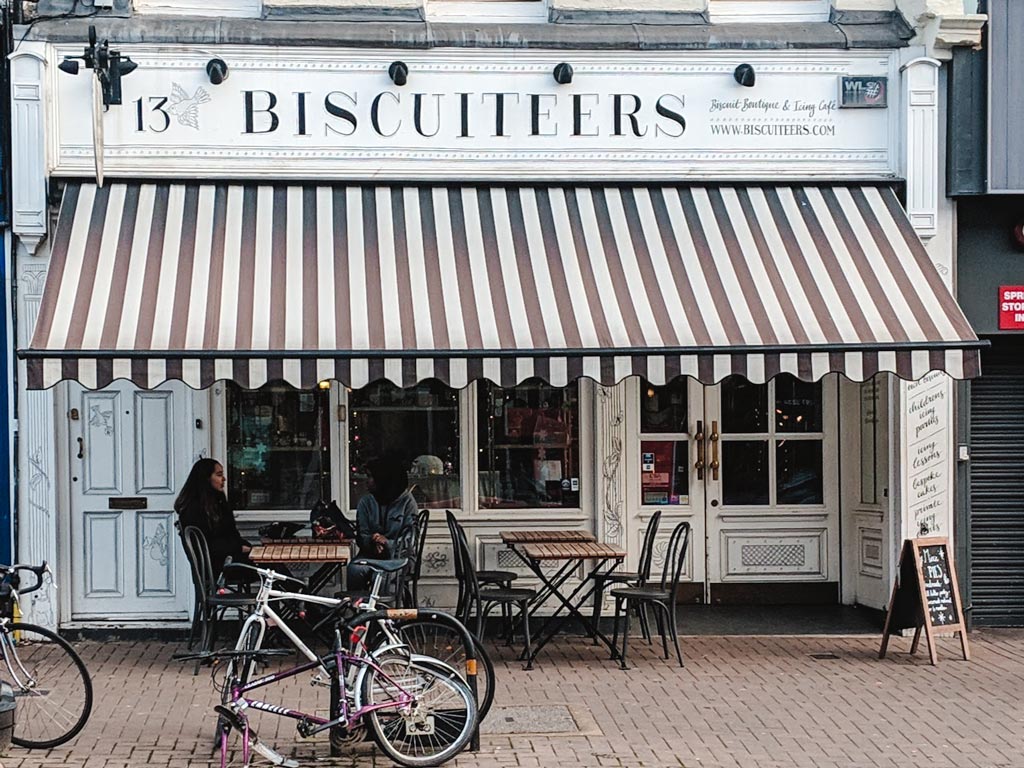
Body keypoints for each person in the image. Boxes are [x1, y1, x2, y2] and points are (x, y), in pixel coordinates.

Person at [348, 456, 417, 591]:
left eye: (370, 477)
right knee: (354, 570)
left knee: (381, 578)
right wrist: (372, 542)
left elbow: (410, 540)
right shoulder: (366, 503)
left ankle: (382, 611)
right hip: (370, 555)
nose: (366, 482)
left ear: (383, 479)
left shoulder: (407, 503)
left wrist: (387, 543)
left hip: (399, 558)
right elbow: (362, 534)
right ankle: (358, 609)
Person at [175, 458, 252, 577]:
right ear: (206, 478)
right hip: (219, 566)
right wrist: (239, 548)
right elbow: (209, 545)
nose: (224, 479)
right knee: (273, 570)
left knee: (273, 568)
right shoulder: (194, 509)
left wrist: (246, 547)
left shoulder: (217, 503)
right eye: (219, 475)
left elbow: (231, 533)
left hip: (228, 560)